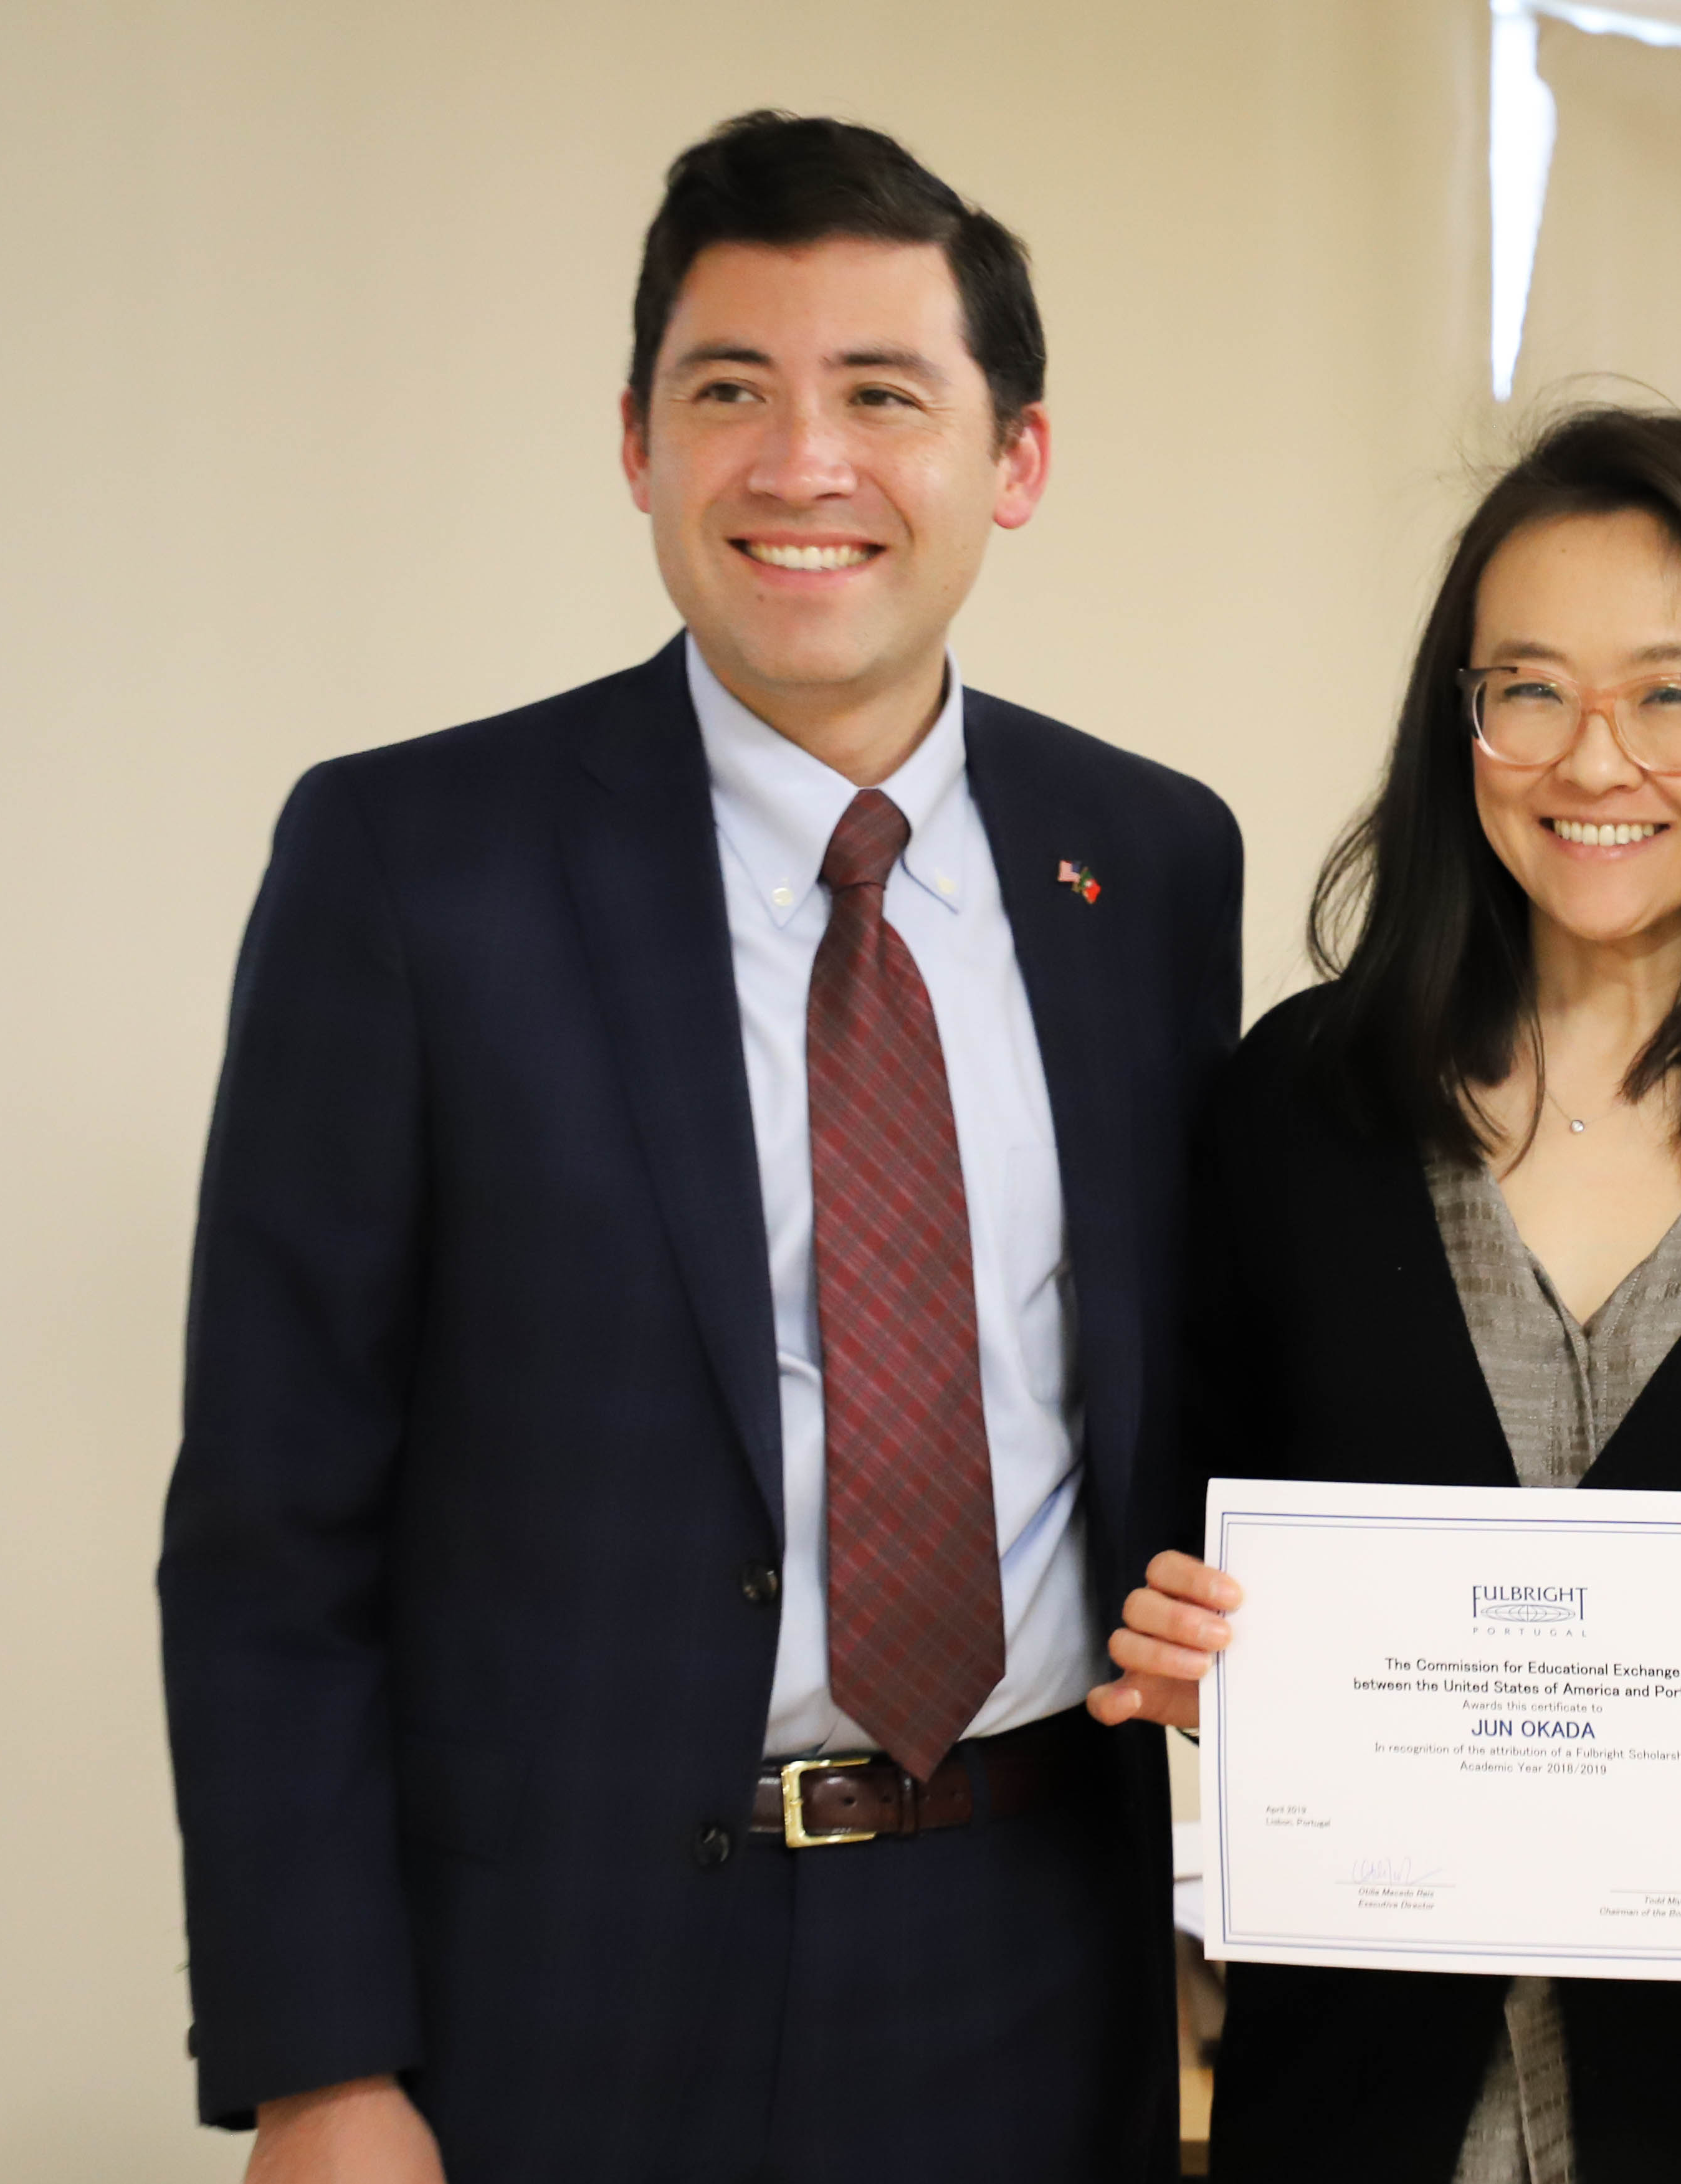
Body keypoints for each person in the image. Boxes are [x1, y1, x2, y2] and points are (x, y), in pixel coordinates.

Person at [158, 112, 1240, 2181]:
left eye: (880, 396)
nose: (799, 462)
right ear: (636, 442)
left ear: (1012, 461)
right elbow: (270, 1535)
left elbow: (1176, 1380)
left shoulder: (1154, 861)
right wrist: (319, 2061)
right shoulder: (409, 865)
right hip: (554, 1982)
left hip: (1033, 1949)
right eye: (727, 390)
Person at [1087, 408, 1681, 2182]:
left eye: (1676, 693)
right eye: (1526, 689)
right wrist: (1180, 1642)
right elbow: (1185, 1521)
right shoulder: (1296, 1106)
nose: (1592, 758)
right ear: (1461, 722)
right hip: (1351, 2107)